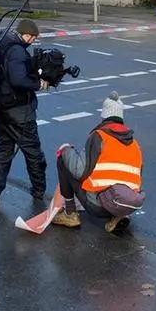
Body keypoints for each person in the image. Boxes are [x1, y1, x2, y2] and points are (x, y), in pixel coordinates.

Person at [52, 92, 144, 233]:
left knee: (64, 160)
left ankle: (70, 214)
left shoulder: (99, 136)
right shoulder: (135, 144)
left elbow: (79, 171)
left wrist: (66, 150)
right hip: (125, 204)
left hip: (99, 205)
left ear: (104, 116)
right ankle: (118, 216)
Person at [0, 18, 48, 208]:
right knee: (34, 153)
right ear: (26, 34)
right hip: (18, 111)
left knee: (2, 153)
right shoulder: (18, 51)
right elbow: (19, 80)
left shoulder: (0, 44)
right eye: (32, 38)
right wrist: (38, 84)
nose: (32, 42)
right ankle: (38, 192)